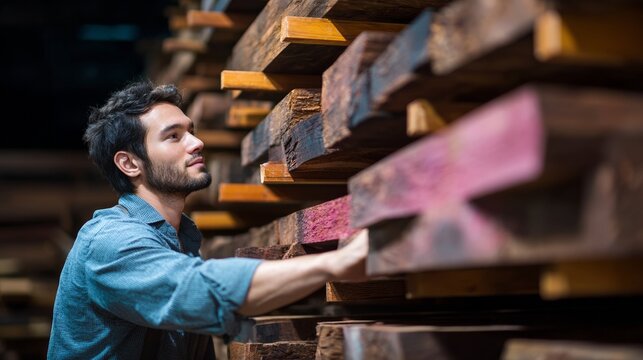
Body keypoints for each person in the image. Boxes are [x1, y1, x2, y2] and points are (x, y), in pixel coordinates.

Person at [48, 81, 368, 359]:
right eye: (173, 136)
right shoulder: (110, 241)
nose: (196, 142)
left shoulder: (179, 238)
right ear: (130, 163)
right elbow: (200, 290)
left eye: (191, 131)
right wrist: (338, 262)